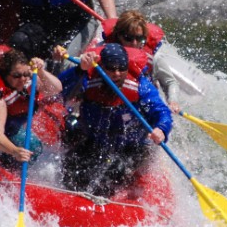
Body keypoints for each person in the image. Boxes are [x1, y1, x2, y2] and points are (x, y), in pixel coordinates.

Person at [58, 43, 172, 196]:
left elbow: (162, 112)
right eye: (111, 68)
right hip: (95, 141)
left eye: (121, 68)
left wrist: (161, 129)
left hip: (131, 147)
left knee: (114, 171)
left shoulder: (140, 87)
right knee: (71, 164)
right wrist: (79, 70)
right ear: (102, 67)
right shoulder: (89, 79)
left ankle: (104, 199)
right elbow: (58, 90)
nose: (117, 74)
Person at [101, 10, 181, 113]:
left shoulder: (152, 59)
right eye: (128, 38)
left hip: (141, 107)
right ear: (118, 36)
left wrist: (173, 101)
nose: (134, 43)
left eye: (139, 38)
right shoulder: (103, 52)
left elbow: (170, 82)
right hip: (108, 105)